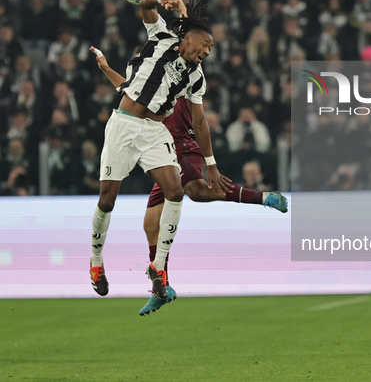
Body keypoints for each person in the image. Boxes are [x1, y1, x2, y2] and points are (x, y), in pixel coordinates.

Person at [91, 49, 287, 317]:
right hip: (159, 151)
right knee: (150, 224)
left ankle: (264, 198)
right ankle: (162, 287)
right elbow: (127, 90)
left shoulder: (178, 73)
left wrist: (210, 161)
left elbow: (197, 115)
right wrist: (105, 69)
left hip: (180, 145)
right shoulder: (145, 78)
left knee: (195, 191)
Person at [88, 0, 226, 302]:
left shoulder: (196, 77)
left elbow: (200, 123)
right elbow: (145, 6)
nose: (208, 50)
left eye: (211, 48)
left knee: (175, 192)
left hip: (154, 131)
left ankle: (159, 269)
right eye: (205, 44)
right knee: (107, 200)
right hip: (123, 125)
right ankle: (96, 263)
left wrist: (211, 163)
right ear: (187, 39)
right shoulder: (162, 34)